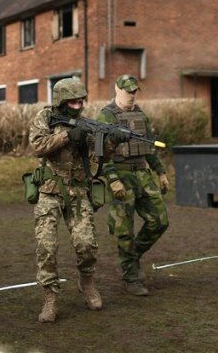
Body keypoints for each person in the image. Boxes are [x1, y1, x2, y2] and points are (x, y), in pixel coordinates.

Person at [28, 77, 125, 323]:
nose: (78, 103)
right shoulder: (45, 118)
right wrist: (68, 137)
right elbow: (37, 146)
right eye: (73, 100)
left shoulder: (87, 123)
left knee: (86, 244)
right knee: (46, 247)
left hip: (79, 191)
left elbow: (98, 157)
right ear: (61, 100)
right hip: (50, 190)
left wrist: (112, 140)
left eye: (81, 99)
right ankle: (50, 297)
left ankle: (87, 281)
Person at [97, 74, 169, 296]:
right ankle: (131, 277)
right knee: (124, 229)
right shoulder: (106, 115)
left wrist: (161, 172)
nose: (132, 95)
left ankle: (133, 256)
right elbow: (101, 153)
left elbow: (149, 146)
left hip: (142, 174)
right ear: (117, 90)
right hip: (121, 175)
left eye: (134, 91)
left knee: (159, 221)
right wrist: (113, 179)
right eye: (128, 91)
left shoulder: (140, 114)